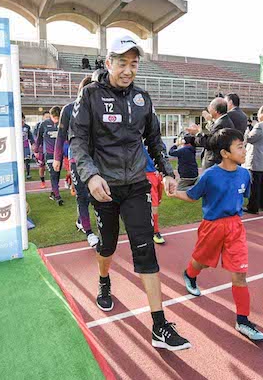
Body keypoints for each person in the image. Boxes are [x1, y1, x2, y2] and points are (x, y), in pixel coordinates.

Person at [69, 35, 190, 351]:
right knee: (107, 247)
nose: (128, 69)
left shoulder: (142, 99)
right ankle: (104, 280)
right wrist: (91, 176)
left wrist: (166, 171)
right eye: (122, 62)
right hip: (104, 187)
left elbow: (154, 139)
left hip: (137, 185)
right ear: (108, 63)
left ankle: (159, 325)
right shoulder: (90, 96)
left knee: (145, 249)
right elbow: (78, 142)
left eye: (133, 63)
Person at [172, 128, 263, 343]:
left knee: (239, 273)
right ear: (225, 153)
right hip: (212, 226)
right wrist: (174, 193)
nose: (244, 150)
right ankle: (189, 274)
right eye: (240, 147)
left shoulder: (245, 174)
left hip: (235, 227)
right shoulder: (210, 175)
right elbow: (192, 195)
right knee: (201, 262)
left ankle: (243, 320)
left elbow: (243, 196)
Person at [53, 76, 99, 248]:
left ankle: (82, 220)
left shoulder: (99, 110)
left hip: (97, 159)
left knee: (96, 195)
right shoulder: (69, 109)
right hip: (77, 159)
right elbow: (61, 135)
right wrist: (57, 157)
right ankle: (88, 232)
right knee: (82, 195)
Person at [187, 98, 235, 169]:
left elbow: (209, 143)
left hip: (215, 163)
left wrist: (198, 133)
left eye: (210, 107)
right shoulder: (223, 121)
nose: (208, 109)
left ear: (216, 111)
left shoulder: (221, 124)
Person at [37, 106, 63, 205]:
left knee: (57, 174)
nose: (56, 120)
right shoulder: (43, 124)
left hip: (59, 154)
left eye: (58, 118)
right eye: (55, 118)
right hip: (49, 154)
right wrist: (36, 150)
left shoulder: (63, 123)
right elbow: (39, 138)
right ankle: (57, 196)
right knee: (53, 173)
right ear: (51, 116)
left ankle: (53, 192)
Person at [144, 145, 166, 245]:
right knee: (154, 204)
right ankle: (155, 231)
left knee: (156, 202)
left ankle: (152, 228)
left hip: (156, 173)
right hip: (146, 174)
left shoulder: (155, 141)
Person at [33, 112, 51, 189]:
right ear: (43, 117)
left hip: (50, 148)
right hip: (41, 148)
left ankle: (54, 183)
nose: (47, 118)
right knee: (42, 166)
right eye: (46, 117)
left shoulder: (53, 124)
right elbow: (35, 137)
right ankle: (42, 182)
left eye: (49, 117)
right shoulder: (38, 125)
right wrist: (36, 148)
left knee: (52, 166)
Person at [21, 113, 35, 179]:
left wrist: (33, 144)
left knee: (27, 160)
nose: (21, 120)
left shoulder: (27, 127)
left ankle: (28, 173)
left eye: (22, 118)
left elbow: (30, 136)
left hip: (25, 146)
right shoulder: (14, 126)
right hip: (18, 146)